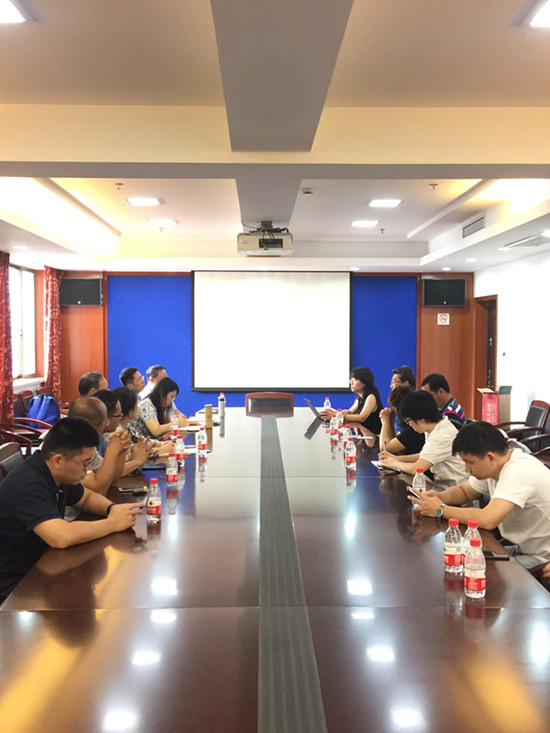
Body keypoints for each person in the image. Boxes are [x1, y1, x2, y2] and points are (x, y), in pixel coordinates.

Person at [0, 417, 143, 602]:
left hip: (45, 564)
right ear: (58, 460)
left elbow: (86, 498)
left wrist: (111, 508)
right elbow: (61, 537)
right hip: (17, 587)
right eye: (84, 463)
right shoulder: (28, 484)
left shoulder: (57, 473)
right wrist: (112, 523)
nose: (88, 468)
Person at [411, 421, 550, 584]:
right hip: (522, 547)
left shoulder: (518, 470)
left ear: (490, 457)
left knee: (476, 575)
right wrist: (440, 497)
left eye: (469, 462)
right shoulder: (496, 465)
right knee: (464, 559)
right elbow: (465, 491)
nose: (466, 469)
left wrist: (440, 510)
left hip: (542, 557)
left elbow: (488, 519)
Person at [378, 390, 468, 485]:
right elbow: (424, 455)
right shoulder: (433, 427)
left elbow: (416, 469)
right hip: (442, 484)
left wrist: (393, 463)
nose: (409, 424)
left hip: (454, 488)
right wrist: (396, 458)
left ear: (421, 419)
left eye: (408, 420)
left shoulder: (442, 436)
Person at [67, 396, 130, 495]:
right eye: (105, 421)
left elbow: (112, 479)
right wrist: (112, 451)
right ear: (93, 427)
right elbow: (99, 490)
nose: (106, 425)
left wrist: (122, 449)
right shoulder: (70, 443)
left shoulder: (87, 442)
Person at [320, 367, 383, 434]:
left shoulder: (371, 397)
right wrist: (334, 412)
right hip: (364, 431)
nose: (351, 383)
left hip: (374, 435)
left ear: (364, 383)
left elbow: (361, 417)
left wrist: (337, 415)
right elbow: (350, 411)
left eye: (354, 380)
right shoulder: (360, 397)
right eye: (351, 380)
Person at [379, 385, 425, 456]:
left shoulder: (415, 428)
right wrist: (390, 421)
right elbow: (394, 440)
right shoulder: (415, 422)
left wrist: (385, 422)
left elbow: (385, 449)